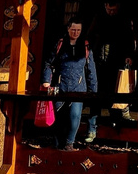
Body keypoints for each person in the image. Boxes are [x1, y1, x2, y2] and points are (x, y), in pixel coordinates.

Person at [41, 20, 97, 150]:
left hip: (78, 88)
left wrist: (93, 90)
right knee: (57, 117)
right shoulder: (60, 44)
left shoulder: (85, 46)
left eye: (78, 30)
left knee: (75, 116)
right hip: (60, 86)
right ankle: (56, 144)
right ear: (68, 29)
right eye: (73, 30)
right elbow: (49, 63)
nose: (75, 32)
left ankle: (69, 143)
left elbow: (91, 70)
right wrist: (46, 81)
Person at [86, 0, 136, 139]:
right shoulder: (99, 18)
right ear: (105, 6)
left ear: (118, 7)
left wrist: (129, 55)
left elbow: (129, 39)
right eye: (109, 10)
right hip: (98, 60)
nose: (111, 12)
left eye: (113, 10)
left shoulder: (124, 20)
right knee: (96, 94)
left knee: (116, 92)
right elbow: (89, 36)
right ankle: (91, 128)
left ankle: (116, 127)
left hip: (116, 60)